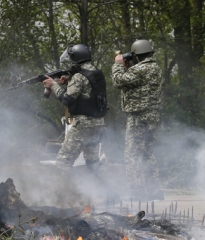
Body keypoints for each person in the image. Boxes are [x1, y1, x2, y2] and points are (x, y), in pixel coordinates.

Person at [111, 39, 164, 201]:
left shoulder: (141, 68)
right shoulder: (154, 68)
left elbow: (118, 81)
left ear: (137, 55)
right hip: (151, 115)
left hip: (138, 116)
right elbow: (134, 82)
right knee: (147, 153)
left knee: (133, 154)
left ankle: (137, 192)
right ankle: (154, 191)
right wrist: (128, 68)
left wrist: (118, 64)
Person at [43, 44, 107, 172]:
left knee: (63, 161)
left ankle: (63, 192)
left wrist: (54, 85)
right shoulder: (96, 72)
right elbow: (87, 90)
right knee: (93, 162)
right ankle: (112, 190)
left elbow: (67, 99)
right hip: (98, 123)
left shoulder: (78, 76)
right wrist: (68, 80)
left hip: (83, 125)